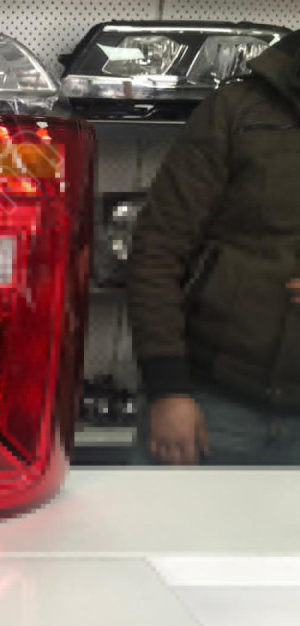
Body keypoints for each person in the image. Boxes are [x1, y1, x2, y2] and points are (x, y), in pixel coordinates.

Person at [128, 29, 300, 466]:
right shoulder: (235, 109)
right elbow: (158, 249)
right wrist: (169, 390)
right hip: (212, 402)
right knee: (163, 514)